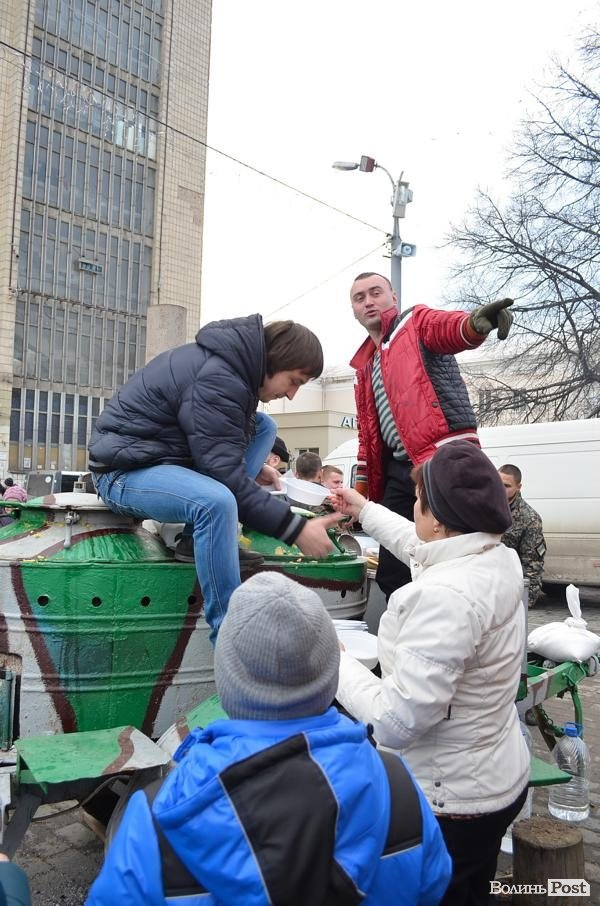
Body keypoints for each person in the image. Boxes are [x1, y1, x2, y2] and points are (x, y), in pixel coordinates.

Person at [86, 572, 452, 905]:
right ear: (331, 676)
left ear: (227, 682)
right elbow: (432, 886)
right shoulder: (399, 788)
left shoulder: (158, 817)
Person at [332, 441, 529, 906]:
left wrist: (332, 658)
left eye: (419, 500)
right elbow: (421, 546)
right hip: (494, 777)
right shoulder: (494, 556)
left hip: (455, 802)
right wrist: (362, 508)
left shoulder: (445, 597)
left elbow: (397, 723)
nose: (415, 509)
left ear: (437, 519)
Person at [88, 316, 340, 642]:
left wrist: (247, 462)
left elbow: (218, 449)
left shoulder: (232, 373)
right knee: (216, 503)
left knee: (264, 427)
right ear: (274, 360)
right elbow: (224, 478)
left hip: (160, 461)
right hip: (122, 474)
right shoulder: (220, 378)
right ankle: (229, 637)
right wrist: (296, 529)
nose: (292, 394)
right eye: (294, 381)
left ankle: (195, 542)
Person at [348, 271, 514, 601]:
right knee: (393, 570)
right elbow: (368, 437)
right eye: (359, 297)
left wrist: (476, 324)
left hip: (441, 460)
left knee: (455, 553)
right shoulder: (365, 365)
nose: (368, 301)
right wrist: (360, 494)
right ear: (353, 309)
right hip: (397, 470)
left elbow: (449, 329)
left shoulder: (415, 322)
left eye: (375, 292)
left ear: (393, 298)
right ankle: (406, 636)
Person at [498, 464, 546, 608]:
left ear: (519, 487)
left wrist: (526, 602)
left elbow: (532, 565)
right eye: (498, 484)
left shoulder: (529, 519)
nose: (501, 489)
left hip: (509, 589)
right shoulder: (485, 507)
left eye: (506, 486)